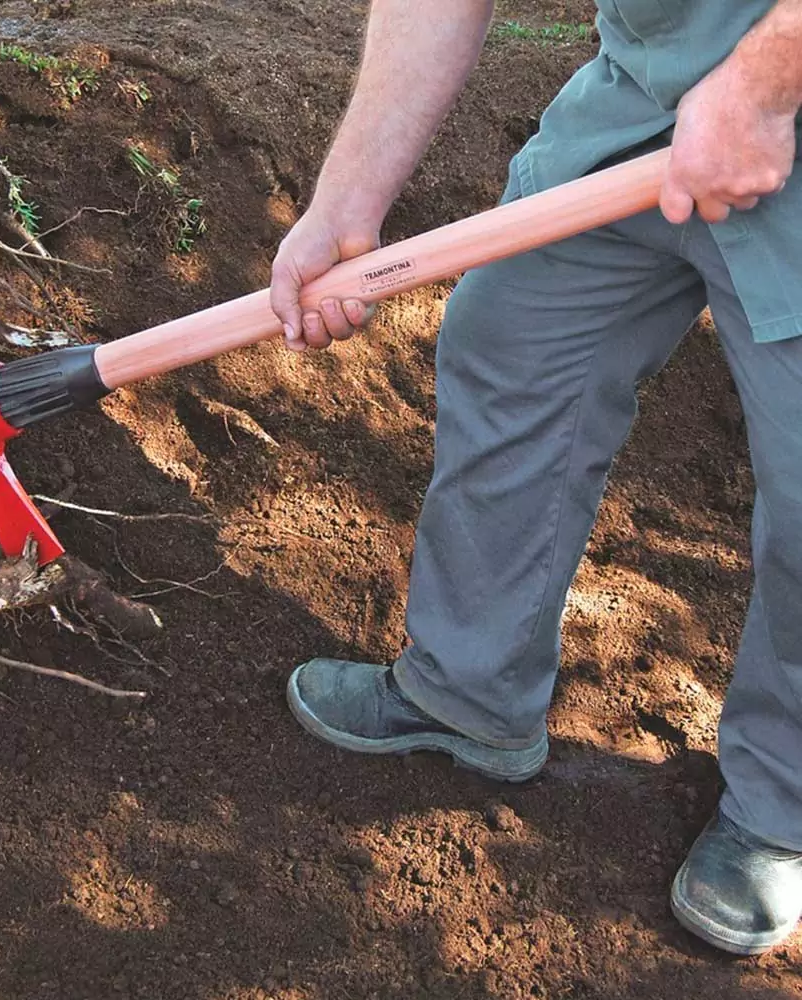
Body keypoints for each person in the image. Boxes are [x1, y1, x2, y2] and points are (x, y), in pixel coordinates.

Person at [269, 0, 802, 957]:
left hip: (784, 102)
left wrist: (766, 81)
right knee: (511, 335)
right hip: (649, 100)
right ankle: (468, 688)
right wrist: (344, 203)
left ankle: (781, 810)